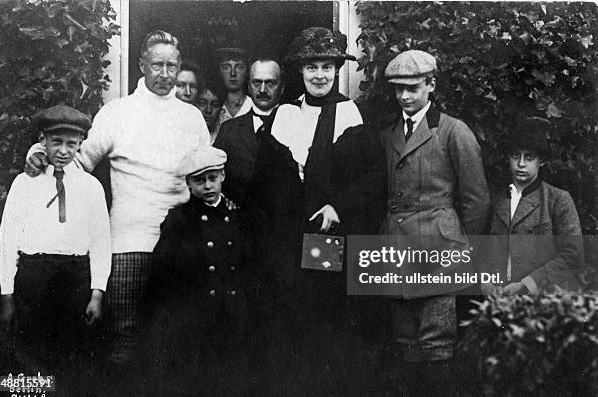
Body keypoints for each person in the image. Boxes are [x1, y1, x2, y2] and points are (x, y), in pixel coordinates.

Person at [24, 30, 210, 373]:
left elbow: (205, 175)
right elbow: (77, 161)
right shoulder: (117, 113)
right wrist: (39, 154)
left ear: (179, 66)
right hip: (128, 243)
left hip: (181, 244)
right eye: (157, 65)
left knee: (174, 339)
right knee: (124, 338)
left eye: (172, 65)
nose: (165, 73)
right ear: (141, 65)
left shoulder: (192, 117)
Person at [248, 26, 386, 394]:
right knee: (284, 320)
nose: (319, 75)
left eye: (327, 67)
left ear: (337, 69)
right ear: (300, 71)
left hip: (327, 239)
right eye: (312, 67)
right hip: (285, 240)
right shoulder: (285, 115)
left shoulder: (350, 115)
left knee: (323, 318)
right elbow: (264, 180)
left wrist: (337, 206)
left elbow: (373, 180)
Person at [378, 49, 490, 396]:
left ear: (432, 85)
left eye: (413, 88)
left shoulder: (454, 132)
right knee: (405, 345)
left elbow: (476, 200)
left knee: (437, 344)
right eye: (398, 89)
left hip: (440, 252)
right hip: (397, 250)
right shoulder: (388, 134)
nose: (405, 96)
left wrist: (464, 253)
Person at [0, 105, 111, 394]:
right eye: (56, 142)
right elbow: (9, 240)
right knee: (31, 355)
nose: (63, 151)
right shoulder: (24, 184)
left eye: (71, 144)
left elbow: (100, 243)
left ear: (81, 144)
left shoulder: (91, 187)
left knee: (72, 356)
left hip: (75, 279)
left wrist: (97, 293)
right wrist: (7, 295)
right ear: (42, 140)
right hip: (34, 278)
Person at [143, 145, 252, 396]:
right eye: (199, 180)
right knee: (198, 374)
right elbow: (163, 268)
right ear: (189, 184)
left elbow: (249, 261)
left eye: (213, 178)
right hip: (197, 312)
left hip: (233, 309)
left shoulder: (238, 215)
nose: (207, 186)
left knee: (234, 371)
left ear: (223, 176)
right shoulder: (180, 219)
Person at [481, 117, 583, 297]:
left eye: (529, 157)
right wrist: (486, 281)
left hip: (544, 300)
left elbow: (573, 255)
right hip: (500, 300)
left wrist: (528, 284)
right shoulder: (497, 201)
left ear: (541, 161)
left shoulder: (557, 199)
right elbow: (480, 247)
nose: (521, 164)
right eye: (515, 155)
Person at [214, 56, 286, 206]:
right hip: (241, 224)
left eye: (270, 83)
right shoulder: (229, 131)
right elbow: (214, 177)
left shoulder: (295, 124)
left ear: (282, 87)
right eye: (257, 82)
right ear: (248, 86)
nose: (262, 90)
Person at [215, 47, 252, 126]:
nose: (233, 73)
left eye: (239, 67)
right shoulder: (214, 108)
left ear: (247, 71)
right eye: (226, 67)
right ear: (219, 71)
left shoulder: (252, 106)